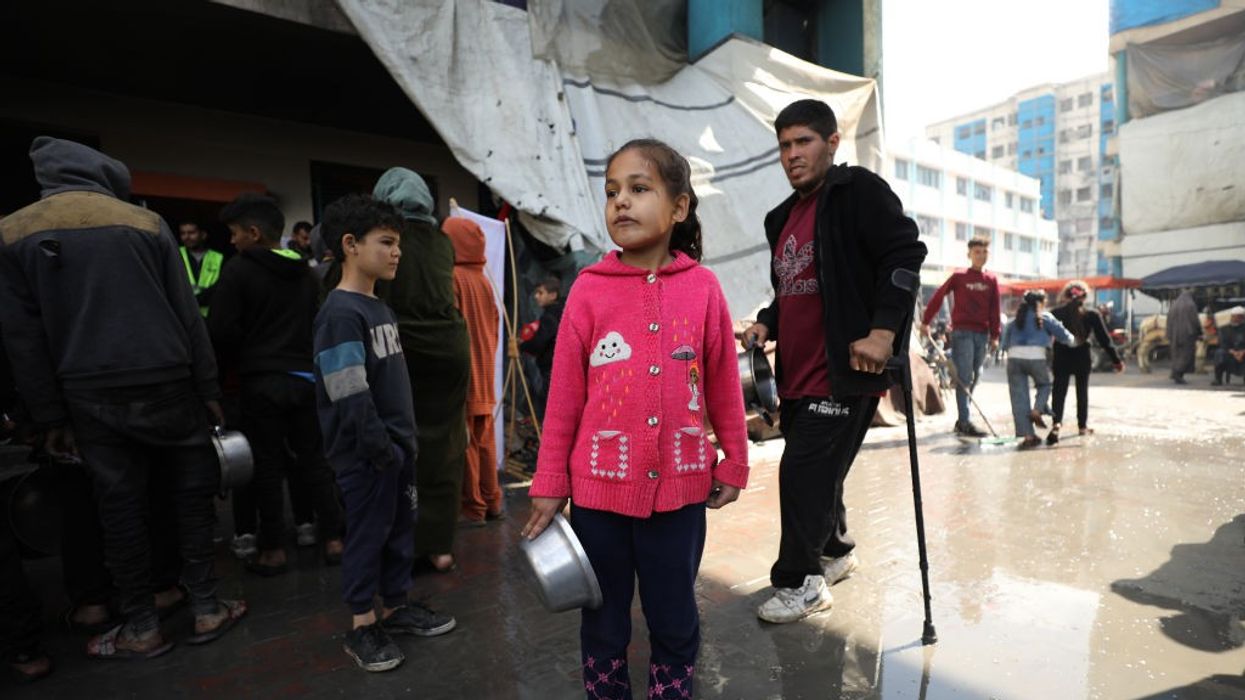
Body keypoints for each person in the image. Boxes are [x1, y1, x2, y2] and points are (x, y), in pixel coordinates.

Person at [0, 137, 245, 660]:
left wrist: (47, 416)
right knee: (191, 496)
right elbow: (187, 316)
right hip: (168, 377)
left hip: (88, 390)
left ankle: (141, 626)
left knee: (120, 508)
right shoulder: (144, 222)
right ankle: (205, 606)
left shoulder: (13, 232)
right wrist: (208, 388)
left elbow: (23, 339)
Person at [524, 138, 749, 699]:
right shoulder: (588, 292)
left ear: (679, 208)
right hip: (598, 496)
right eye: (611, 192)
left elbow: (723, 384)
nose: (621, 202)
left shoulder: (703, 288)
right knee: (603, 621)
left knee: (675, 618)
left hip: (680, 495)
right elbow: (564, 400)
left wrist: (735, 462)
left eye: (638, 189)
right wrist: (551, 482)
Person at [741, 99, 926, 624]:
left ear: (831, 143)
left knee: (802, 474)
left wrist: (883, 333)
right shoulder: (780, 218)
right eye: (784, 145)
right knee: (821, 473)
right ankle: (837, 552)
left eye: (804, 142)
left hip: (847, 372)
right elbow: (793, 289)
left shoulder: (857, 192)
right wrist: (766, 322)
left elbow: (904, 255)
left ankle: (801, 582)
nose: (792, 154)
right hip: (795, 378)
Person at [313, 193, 455, 673]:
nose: (397, 252)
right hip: (368, 455)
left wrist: (402, 445)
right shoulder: (340, 314)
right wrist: (380, 448)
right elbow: (348, 392)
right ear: (350, 245)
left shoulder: (380, 308)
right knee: (367, 537)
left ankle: (395, 608)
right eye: (387, 242)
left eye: (398, 243)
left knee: (399, 532)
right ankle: (361, 625)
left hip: (396, 450)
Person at [210, 193, 344, 574]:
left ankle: (273, 549)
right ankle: (334, 538)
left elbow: (221, 331)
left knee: (267, 466)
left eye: (235, 233)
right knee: (315, 461)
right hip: (306, 378)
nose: (232, 241)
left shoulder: (237, 271)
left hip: (261, 381)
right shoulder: (306, 273)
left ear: (253, 233)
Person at [370, 168, 471, 573]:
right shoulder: (442, 240)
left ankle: (401, 543)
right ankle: (441, 547)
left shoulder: (387, 239)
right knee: (445, 447)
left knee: (399, 445)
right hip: (450, 348)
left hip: (401, 348)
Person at [443, 216, 503, 528]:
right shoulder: (483, 280)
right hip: (485, 370)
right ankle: (493, 502)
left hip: (465, 374)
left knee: (465, 444)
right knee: (485, 441)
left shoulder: (451, 277)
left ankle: (473, 508)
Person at [920, 238, 1001, 437]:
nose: (981, 255)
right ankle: (965, 422)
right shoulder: (959, 276)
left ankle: (962, 419)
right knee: (965, 377)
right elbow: (939, 296)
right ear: (969, 254)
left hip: (983, 334)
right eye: (977, 251)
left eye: (984, 252)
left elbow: (995, 309)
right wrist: (926, 321)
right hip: (962, 333)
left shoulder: (991, 280)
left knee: (975, 375)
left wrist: (995, 335)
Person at [1047, 281, 1124, 444]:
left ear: (1065, 296)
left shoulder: (1055, 313)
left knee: (1058, 391)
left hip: (1061, 355)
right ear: (1085, 297)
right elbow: (1104, 339)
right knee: (1082, 392)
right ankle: (1082, 426)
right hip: (1082, 356)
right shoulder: (1092, 315)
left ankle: (1056, 424)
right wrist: (1116, 360)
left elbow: (1044, 337)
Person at [1002, 290, 1075, 448]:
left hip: (1014, 359)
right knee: (1044, 385)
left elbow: (1004, 342)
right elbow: (1066, 337)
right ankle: (1037, 409)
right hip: (1037, 358)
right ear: (1041, 303)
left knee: (1018, 396)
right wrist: (1073, 342)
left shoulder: (1015, 320)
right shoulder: (1045, 317)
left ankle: (1028, 435)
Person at [520, 276, 565, 421]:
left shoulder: (551, 317)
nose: (536, 296)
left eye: (540, 293)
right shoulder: (562, 313)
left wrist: (521, 345)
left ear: (552, 295)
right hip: (561, 367)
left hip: (552, 368)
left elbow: (540, 342)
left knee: (549, 409)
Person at [178, 220, 225, 317]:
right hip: (183, 314)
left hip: (209, 315)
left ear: (203, 235)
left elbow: (221, 287)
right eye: (183, 233)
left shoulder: (218, 257)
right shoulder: (176, 254)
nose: (186, 237)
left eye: (191, 233)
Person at [1167, 290, 1202, 385]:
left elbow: (1168, 321)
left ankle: (1175, 372)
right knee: (1186, 354)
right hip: (1187, 334)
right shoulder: (1191, 305)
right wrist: (1200, 332)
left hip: (1174, 334)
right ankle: (1178, 374)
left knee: (1176, 354)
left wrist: (1169, 334)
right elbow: (1195, 320)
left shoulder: (1174, 305)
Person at [1212, 306, 1245, 386]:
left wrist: (1242, 352)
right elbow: (1223, 344)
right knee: (1219, 353)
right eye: (1233, 316)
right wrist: (1234, 353)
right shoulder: (1225, 329)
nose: (1234, 318)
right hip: (1229, 353)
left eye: (1237, 317)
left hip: (1243, 353)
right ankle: (1218, 379)